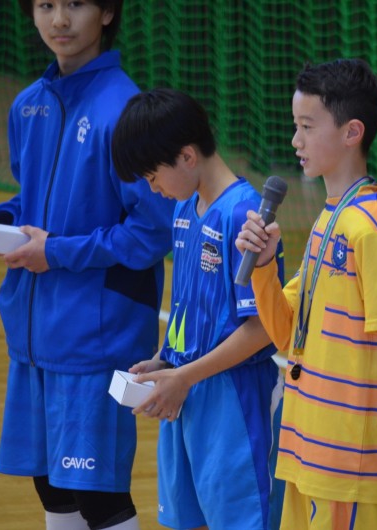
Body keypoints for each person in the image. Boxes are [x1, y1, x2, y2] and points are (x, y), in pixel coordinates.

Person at [0, 1, 175, 529]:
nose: (59, 19)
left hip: (95, 338)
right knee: (52, 487)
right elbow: (35, 199)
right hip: (34, 336)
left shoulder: (126, 112)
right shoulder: (27, 105)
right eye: (46, 5)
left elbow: (151, 231)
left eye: (75, 4)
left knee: (97, 495)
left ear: (107, 12)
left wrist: (55, 251)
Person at [235, 58, 377, 529]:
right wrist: (262, 267)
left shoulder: (370, 231)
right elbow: (288, 335)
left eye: (307, 127)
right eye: (295, 126)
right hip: (305, 452)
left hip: (350, 466)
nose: (295, 141)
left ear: (352, 133)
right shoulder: (331, 219)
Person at [111, 87, 286, 530]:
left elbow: (263, 327)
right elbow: (190, 306)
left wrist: (185, 376)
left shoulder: (245, 215)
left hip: (235, 399)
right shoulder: (185, 209)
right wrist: (164, 360)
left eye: (153, 176)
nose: (153, 188)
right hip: (185, 390)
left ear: (187, 156)